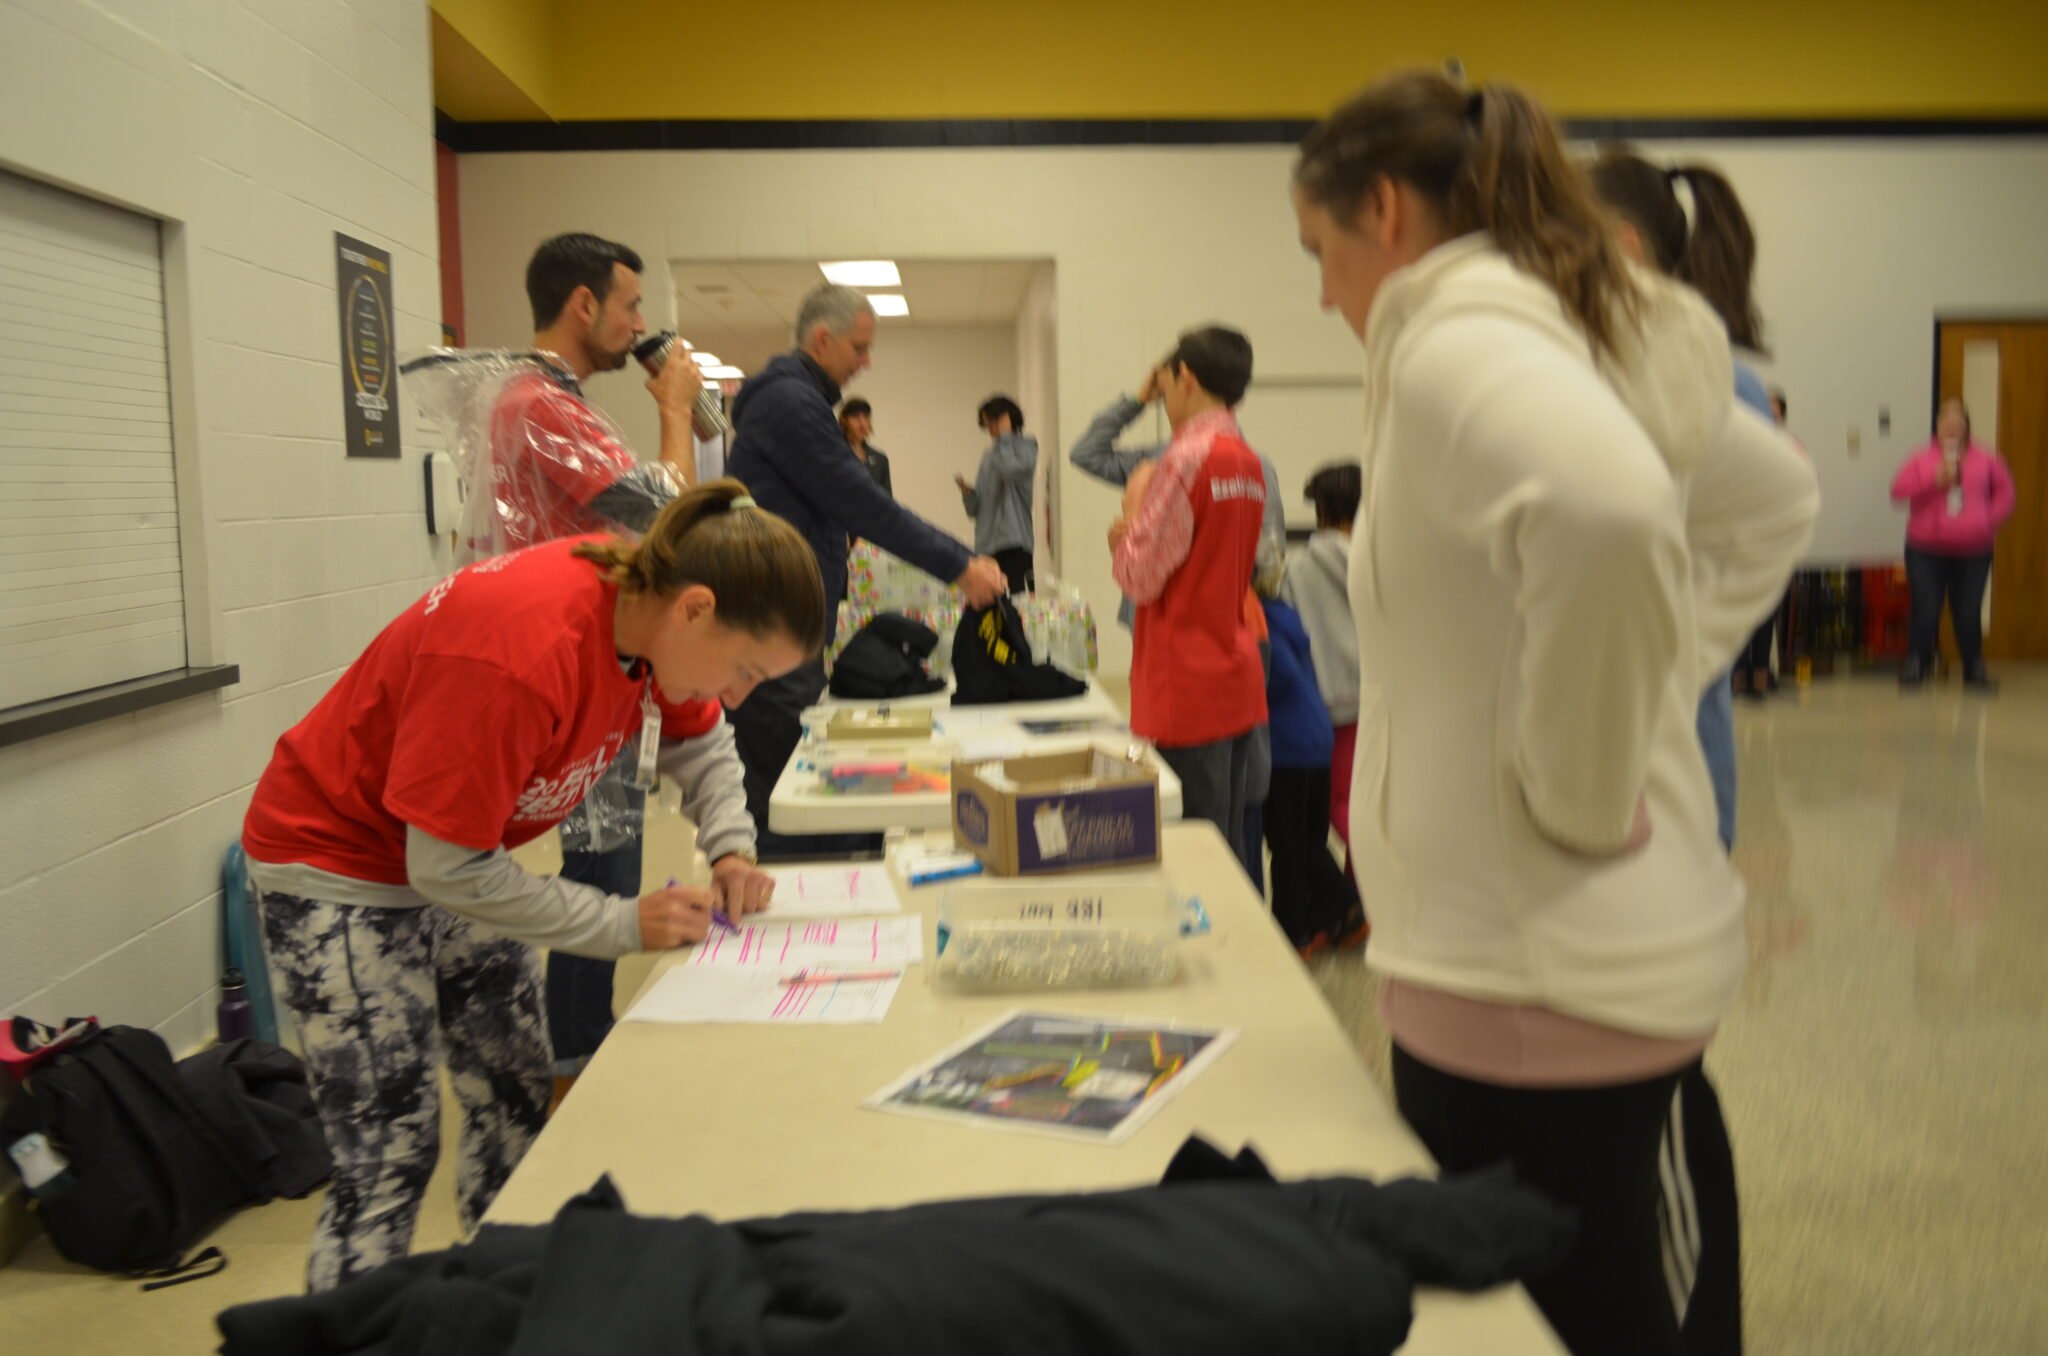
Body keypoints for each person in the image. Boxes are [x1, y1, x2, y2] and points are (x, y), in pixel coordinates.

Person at [1293, 72, 1816, 1355]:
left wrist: (1582, 777)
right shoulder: (1548, 335)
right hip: (1506, 976)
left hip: (1552, 988)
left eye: (1319, 252)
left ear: (1383, 210)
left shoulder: (1456, 344)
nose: (1320, 293)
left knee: (1605, 1319)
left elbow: (1612, 512)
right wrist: (1649, 681)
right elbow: (1762, 505)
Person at [240, 482, 824, 1290]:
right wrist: (622, 924)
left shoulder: (652, 625)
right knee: (388, 1152)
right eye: (747, 669)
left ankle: (500, 1304)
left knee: (514, 1100)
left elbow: (702, 745)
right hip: (340, 867)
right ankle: (346, 1333)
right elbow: (445, 870)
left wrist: (729, 848)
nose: (737, 694)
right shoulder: (520, 649)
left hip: (456, 854)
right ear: (695, 609)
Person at [483, 232, 709, 1090]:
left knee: (606, 863)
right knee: (602, 874)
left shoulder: (553, 401)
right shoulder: (540, 406)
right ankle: (574, 1059)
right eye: (630, 307)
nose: (639, 325)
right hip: (574, 664)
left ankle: (581, 1042)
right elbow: (666, 518)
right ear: (585, 306)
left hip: (593, 658)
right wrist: (678, 411)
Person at [724, 285, 1006, 855]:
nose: (866, 361)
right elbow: (867, 504)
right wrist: (961, 565)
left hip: (787, 622)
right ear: (822, 339)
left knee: (790, 784)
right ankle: (803, 913)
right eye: (860, 347)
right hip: (773, 627)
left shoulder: (798, 400)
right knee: (789, 798)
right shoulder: (791, 404)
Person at [1588, 147, 1773, 851]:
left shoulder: (1718, 386)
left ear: (1623, 246)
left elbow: (1758, 540)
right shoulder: (1585, 369)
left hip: (1667, 724)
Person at [1108, 327, 1269, 863]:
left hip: (1184, 685)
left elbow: (1140, 577)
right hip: (1234, 673)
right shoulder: (1246, 460)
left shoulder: (1185, 459)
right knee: (1225, 845)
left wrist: (1128, 520)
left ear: (1186, 378)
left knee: (1192, 856)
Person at [1258, 583, 1364, 956]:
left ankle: (1301, 933)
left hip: (1290, 748)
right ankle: (1325, 922)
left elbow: (1278, 675)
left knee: (1289, 847)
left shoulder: (1259, 617)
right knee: (1309, 840)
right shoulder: (1284, 609)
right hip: (1317, 739)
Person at [1893, 396, 2014, 691]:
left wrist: (1987, 520)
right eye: (1945, 419)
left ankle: (1974, 669)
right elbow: (1898, 491)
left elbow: (2006, 494)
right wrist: (1932, 481)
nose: (1951, 424)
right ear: (1937, 426)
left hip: (1974, 549)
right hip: (1925, 548)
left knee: (1968, 610)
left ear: (1966, 426)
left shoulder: (1987, 458)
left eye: (1957, 419)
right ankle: (1916, 665)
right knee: (1926, 607)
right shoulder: (1920, 458)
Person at [1283, 462, 1363, 883]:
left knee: (1339, 802)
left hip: (1322, 700)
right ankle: (1362, 899)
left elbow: (1290, 631)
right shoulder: (1378, 560)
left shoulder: (1297, 568)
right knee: (1365, 799)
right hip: (1377, 700)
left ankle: (1385, 877)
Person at [955, 394, 1039, 594]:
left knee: (1018, 606)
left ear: (1006, 418)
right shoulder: (989, 455)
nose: (989, 429)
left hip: (1015, 543)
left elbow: (1010, 471)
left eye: (992, 422)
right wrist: (969, 493)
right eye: (986, 424)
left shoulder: (1027, 446)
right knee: (991, 610)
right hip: (986, 547)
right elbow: (974, 510)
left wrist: (1006, 436)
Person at [839, 398, 893, 497]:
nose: (862, 424)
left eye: (866, 417)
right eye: (856, 417)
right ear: (844, 420)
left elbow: (887, 500)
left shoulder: (880, 459)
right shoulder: (835, 454)